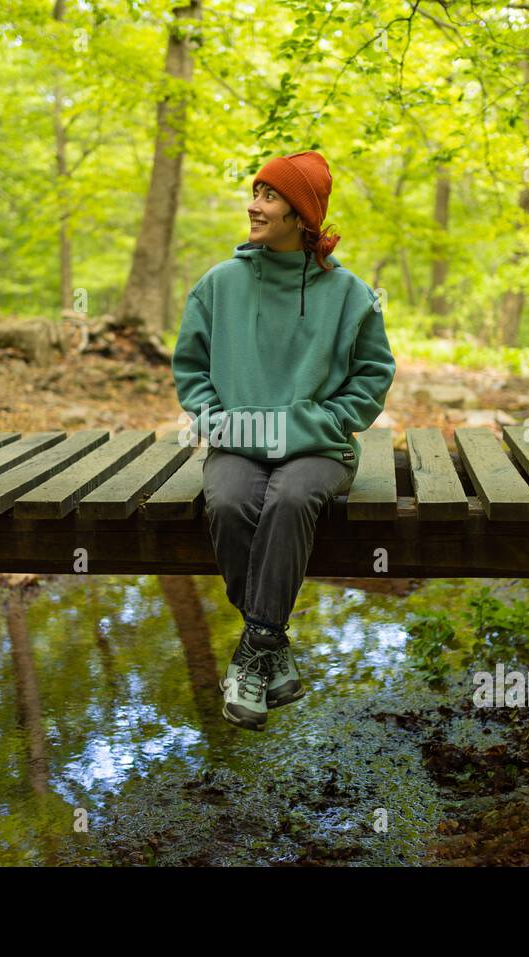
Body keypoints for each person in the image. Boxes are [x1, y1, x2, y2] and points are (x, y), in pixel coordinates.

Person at [171, 150, 397, 731]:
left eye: (269, 196)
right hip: (238, 442)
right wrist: (217, 422)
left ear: (301, 214)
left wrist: (327, 421)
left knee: (292, 498)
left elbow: (373, 375)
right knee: (226, 501)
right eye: (255, 192)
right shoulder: (219, 284)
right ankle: (270, 645)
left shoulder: (348, 293)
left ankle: (253, 650)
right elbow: (191, 368)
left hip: (320, 448)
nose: (254, 205)